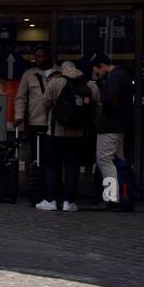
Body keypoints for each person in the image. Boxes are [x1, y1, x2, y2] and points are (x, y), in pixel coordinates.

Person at [38, 60, 101, 212]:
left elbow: (44, 104)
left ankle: (51, 200)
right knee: (72, 167)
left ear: (63, 69)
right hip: (79, 134)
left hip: (55, 133)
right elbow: (97, 108)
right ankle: (68, 202)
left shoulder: (55, 82)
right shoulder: (90, 85)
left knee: (52, 166)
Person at [12, 45, 57, 198]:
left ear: (48, 56)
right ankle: (36, 189)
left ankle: (51, 189)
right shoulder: (29, 75)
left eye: (41, 56)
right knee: (36, 158)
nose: (37, 59)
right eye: (36, 56)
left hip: (54, 124)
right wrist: (18, 116)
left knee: (52, 158)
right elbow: (21, 97)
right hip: (35, 122)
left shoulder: (59, 74)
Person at [91, 53, 134, 210]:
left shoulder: (114, 77)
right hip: (119, 127)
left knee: (104, 161)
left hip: (110, 127)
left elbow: (111, 101)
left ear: (102, 65)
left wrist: (101, 94)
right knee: (118, 161)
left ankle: (111, 198)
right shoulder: (122, 75)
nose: (97, 74)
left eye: (97, 70)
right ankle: (123, 196)